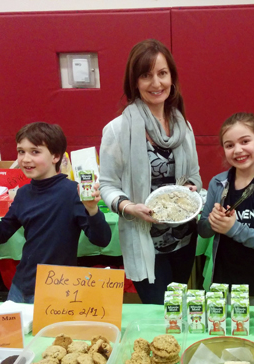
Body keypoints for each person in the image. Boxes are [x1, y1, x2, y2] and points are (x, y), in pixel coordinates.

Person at [99, 39, 201, 304]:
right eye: (146, 75)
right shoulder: (117, 130)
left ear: (172, 78)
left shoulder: (183, 126)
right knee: (159, 312)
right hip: (143, 240)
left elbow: (194, 174)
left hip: (182, 238)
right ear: (135, 82)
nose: (156, 83)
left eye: (162, 74)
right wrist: (128, 207)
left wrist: (191, 188)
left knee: (178, 311)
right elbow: (107, 185)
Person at [0, 122, 112, 303]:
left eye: (35, 152)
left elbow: (102, 239)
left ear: (56, 156)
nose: (26, 159)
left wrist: (92, 209)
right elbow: (0, 235)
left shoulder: (72, 192)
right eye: (21, 151)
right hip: (21, 285)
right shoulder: (23, 193)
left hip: (57, 288)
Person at [198, 113, 254, 298]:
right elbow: (203, 230)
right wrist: (212, 223)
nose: (238, 150)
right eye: (229, 145)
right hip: (223, 286)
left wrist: (233, 228)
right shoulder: (218, 183)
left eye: (245, 141)